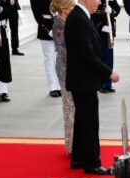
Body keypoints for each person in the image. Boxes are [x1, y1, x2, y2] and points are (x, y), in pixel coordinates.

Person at [66, 0, 120, 175]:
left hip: (83, 79)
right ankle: (92, 163)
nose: (99, 2)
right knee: (90, 122)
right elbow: (87, 54)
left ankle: (78, 158)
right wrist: (108, 72)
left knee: (83, 120)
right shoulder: (78, 18)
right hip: (83, 81)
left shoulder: (81, 16)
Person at [52, 0, 75, 156]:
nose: (74, 8)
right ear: (64, 9)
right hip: (66, 69)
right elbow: (63, 50)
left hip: (72, 67)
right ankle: (71, 146)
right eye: (72, 6)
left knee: (74, 107)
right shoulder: (59, 24)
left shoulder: (70, 21)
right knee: (69, 108)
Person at [32, 0, 62, 97]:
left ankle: (59, 86)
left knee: (59, 58)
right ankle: (53, 87)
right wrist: (47, 30)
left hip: (59, 30)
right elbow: (37, 15)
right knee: (49, 59)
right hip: (46, 31)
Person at [93, 0, 121, 93]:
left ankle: (108, 84)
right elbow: (92, 12)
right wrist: (101, 26)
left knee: (109, 58)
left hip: (109, 32)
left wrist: (111, 11)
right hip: (99, 31)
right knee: (100, 58)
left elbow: (117, 9)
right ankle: (100, 84)